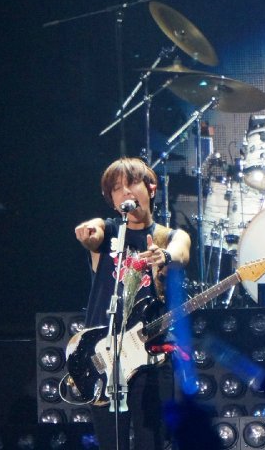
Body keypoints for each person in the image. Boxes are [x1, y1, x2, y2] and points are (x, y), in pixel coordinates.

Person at [74, 157, 191, 450]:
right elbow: (94, 232)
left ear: (150, 189)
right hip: (105, 357)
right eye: (117, 188)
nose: (125, 192)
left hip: (151, 356)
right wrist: (88, 231)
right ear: (113, 201)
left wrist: (164, 256)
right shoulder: (109, 231)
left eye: (133, 184)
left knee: (151, 442)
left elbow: (181, 251)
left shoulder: (169, 236)